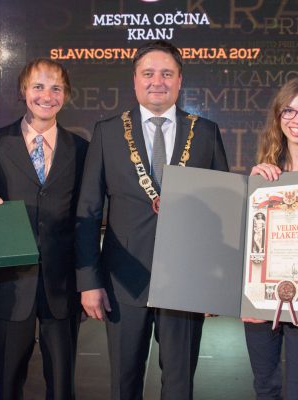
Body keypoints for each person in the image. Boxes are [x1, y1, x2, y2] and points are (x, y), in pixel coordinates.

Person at [75, 40, 229, 400]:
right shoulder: (107, 132)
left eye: (166, 73)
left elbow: (220, 214)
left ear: (179, 81)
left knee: (179, 384)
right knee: (124, 382)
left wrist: (215, 284)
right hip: (123, 279)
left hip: (187, 281)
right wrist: (88, 281)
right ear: (135, 80)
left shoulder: (205, 132)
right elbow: (87, 210)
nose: (157, 81)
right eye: (148, 73)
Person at [0, 58, 88, 400]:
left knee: (63, 384)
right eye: (38, 86)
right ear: (23, 91)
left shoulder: (81, 150)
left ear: (66, 95)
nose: (46, 95)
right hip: (9, 283)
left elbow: (86, 217)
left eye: (56, 88)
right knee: (7, 382)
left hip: (62, 286)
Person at [244, 78, 298, 400]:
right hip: (262, 301)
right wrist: (253, 192)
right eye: (289, 110)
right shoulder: (267, 175)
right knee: (265, 387)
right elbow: (251, 241)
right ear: (278, 117)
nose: (296, 120)